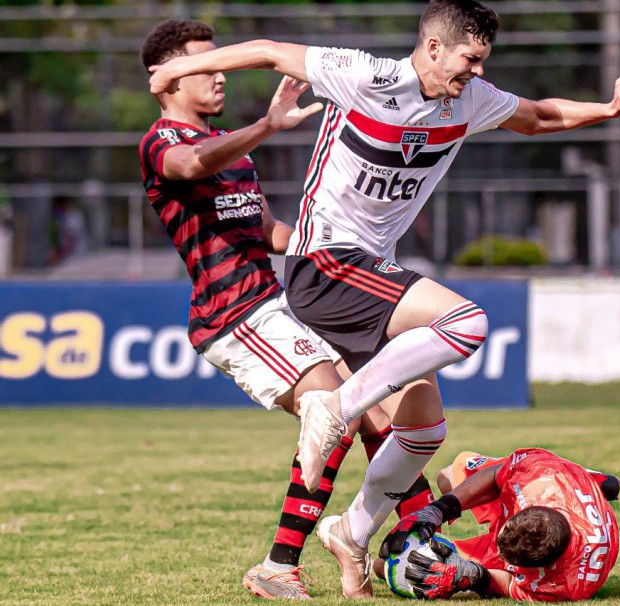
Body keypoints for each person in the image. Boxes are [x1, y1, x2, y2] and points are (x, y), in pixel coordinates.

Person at [148, 0, 620, 597]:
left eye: (483, 63)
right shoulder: (365, 76)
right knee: (466, 323)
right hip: (326, 263)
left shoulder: (471, 101)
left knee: (422, 432)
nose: (475, 74)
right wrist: (170, 75)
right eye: (468, 60)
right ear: (432, 48)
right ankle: (331, 429)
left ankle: (351, 534)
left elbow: (538, 116)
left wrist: (609, 108)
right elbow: (269, 52)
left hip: (368, 272)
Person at [139, 19, 360, 601]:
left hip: (272, 304)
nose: (220, 74)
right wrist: (267, 125)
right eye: (205, 65)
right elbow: (191, 167)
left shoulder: (234, 152)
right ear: (167, 80)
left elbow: (268, 232)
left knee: (381, 409)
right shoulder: (161, 144)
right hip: (234, 317)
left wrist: (340, 246)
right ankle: (282, 562)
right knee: (336, 408)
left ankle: (404, 538)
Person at [377, 448, 620, 601]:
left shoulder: (566, 586)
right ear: (525, 508)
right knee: (448, 476)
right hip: (559, 478)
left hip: (566, 507)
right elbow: (495, 475)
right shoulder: (537, 478)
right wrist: (438, 510)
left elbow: (509, 585)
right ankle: (594, 479)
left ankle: (593, 480)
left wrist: (473, 576)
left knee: (390, 566)